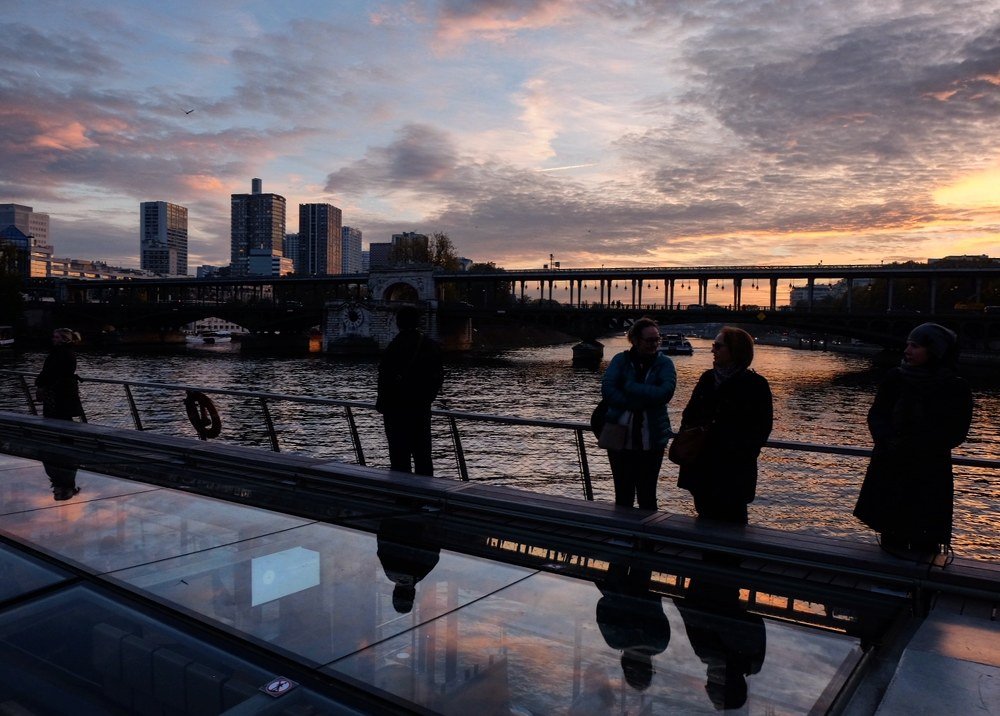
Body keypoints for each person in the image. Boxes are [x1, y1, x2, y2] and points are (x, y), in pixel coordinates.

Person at [854, 322, 973, 555]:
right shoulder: (895, 378)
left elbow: (956, 431)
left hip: (925, 472)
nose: (907, 350)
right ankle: (893, 587)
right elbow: (877, 416)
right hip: (897, 466)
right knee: (892, 538)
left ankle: (917, 589)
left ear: (935, 351)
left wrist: (910, 444)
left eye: (915, 346)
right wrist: (889, 441)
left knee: (924, 542)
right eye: (908, 344)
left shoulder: (955, 388)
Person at [676, 326, 772, 524]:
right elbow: (689, 414)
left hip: (733, 468)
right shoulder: (708, 378)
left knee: (734, 521)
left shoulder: (755, 385)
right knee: (704, 517)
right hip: (702, 464)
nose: (713, 350)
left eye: (718, 346)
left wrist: (742, 451)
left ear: (735, 350)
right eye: (713, 345)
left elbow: (762, 427)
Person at [600, 317, 677, 509]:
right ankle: (624, 537)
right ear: (635, 340)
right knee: (623, 495)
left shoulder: (665, 364)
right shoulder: (620, 360)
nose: (654, 344)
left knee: (647, 495)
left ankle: (646, 538)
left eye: (657, 339)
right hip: (620, 438)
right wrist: (640, 402)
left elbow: (664, 394)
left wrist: (629, 386)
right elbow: (608, 391)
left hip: (652, 440)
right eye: (649, 340)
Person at [376, 306, 444, 476]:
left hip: (396, 410)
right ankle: (425, 495)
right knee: (423, 456)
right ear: (418, 322)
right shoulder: (429, 345)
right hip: (420, 409)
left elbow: (384, 377)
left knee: (399, 457)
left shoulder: (394, 346)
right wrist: (427, 398)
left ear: (398, 323)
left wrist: (383, 403)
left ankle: (403, 497)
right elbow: (438, 376)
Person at [34, 328, 84, 421]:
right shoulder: (66, 352)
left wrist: (40, 384)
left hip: (58, 391)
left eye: (56, 337)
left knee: (56, 416)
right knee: (63, 417)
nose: (54, 339)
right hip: (63, 389)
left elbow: (51, 371)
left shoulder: (60, 353)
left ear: (64, 339)